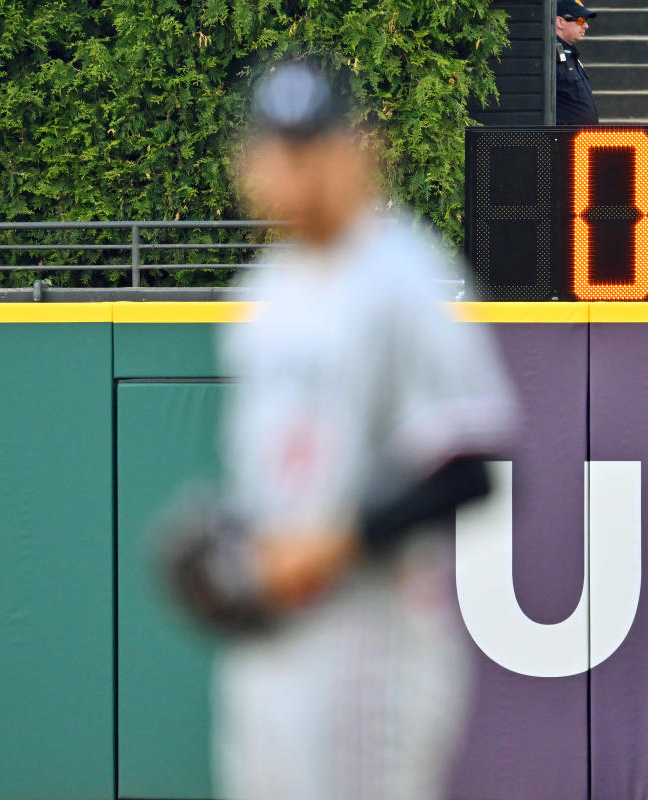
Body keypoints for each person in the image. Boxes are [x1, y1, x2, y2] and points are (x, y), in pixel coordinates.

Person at [216, 61, 517, 800]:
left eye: (310, 144)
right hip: (271, 636)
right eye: (278, 146)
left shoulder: (404, 277)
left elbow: (471, 468)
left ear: (358, 151)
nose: (293, 167)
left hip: (370, 635)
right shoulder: (263, 293)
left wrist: (333, 542)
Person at [555, 0, 599, 125]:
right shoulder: (551, 56)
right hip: (564, 141)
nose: (586, 26)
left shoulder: (568, 54)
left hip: (579, 140)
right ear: (560, 22)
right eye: (580, 20)